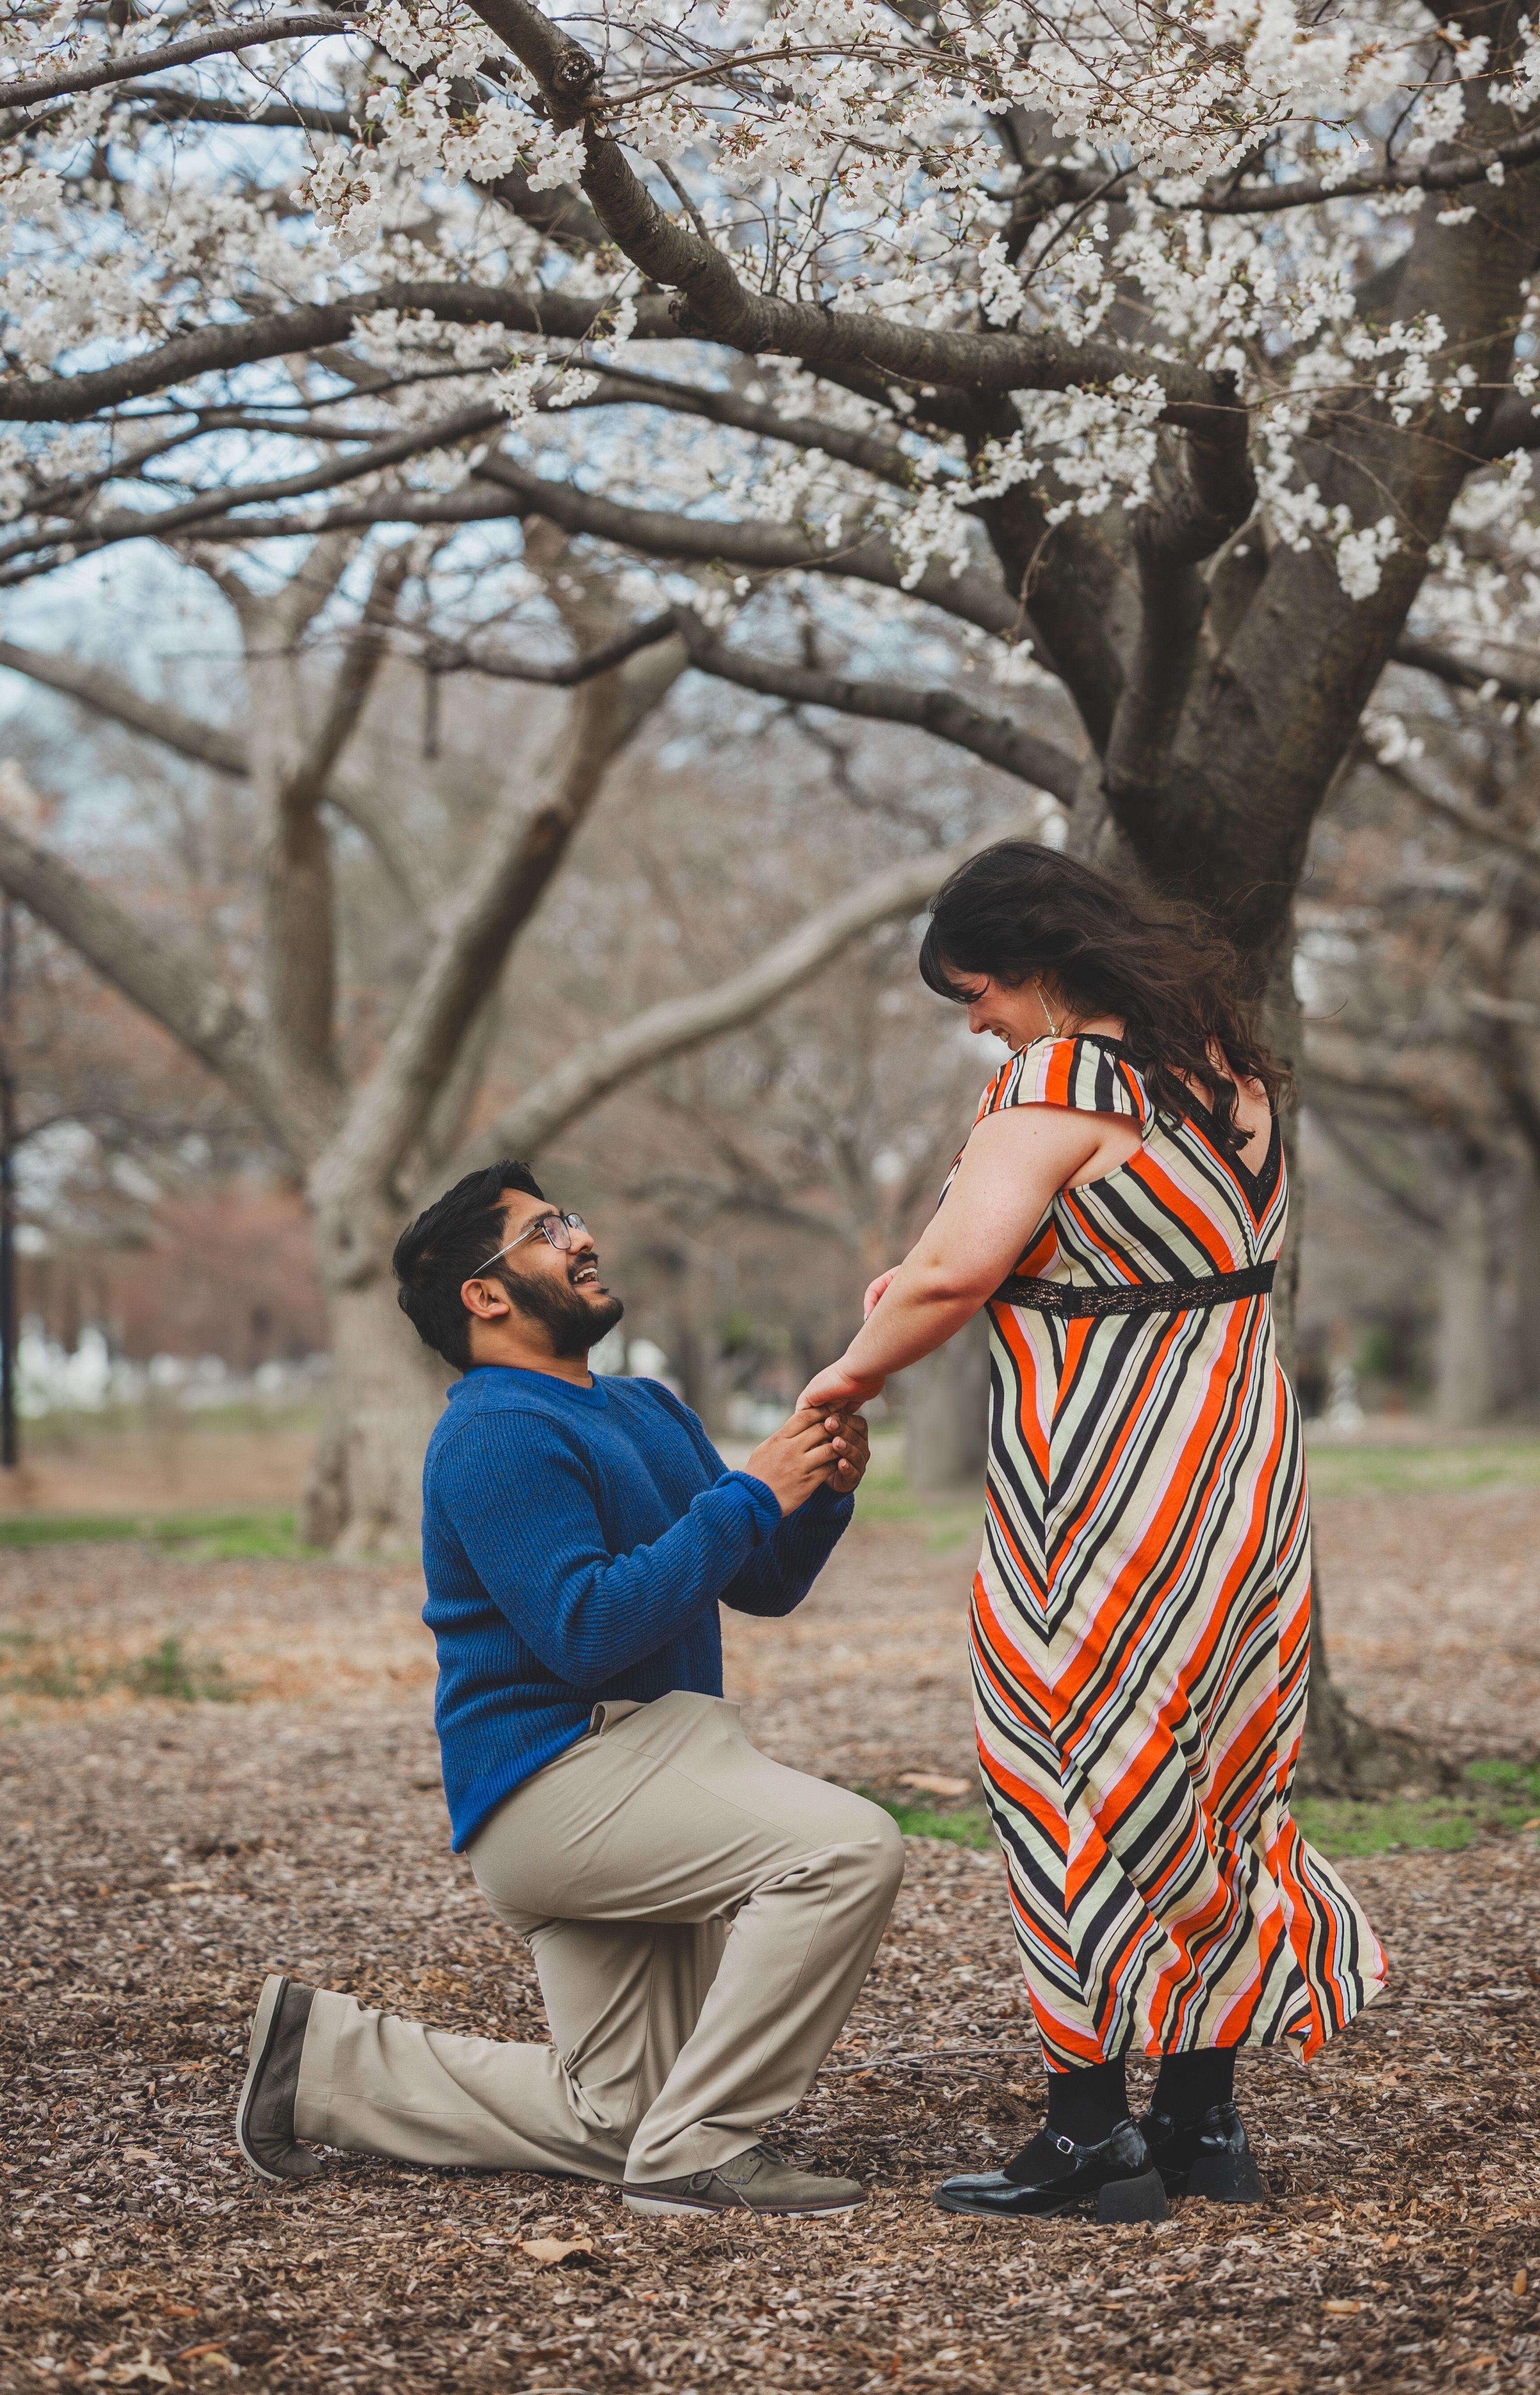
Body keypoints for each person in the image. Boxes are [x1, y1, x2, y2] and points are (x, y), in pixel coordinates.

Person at [800, 842, 1389, 2224]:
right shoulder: (1227, 1083)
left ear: (1042, 966)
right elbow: (1126, 1254)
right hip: (1240, 1496)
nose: (977, 1021)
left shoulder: (1063, 1081)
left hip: (1102, 1502)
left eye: (980, 988)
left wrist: (840, 1381)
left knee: (1066, 1770)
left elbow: (954, 1268)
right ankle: (1202, 2125)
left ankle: (1087, 2138)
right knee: (1216, 1778)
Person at [234, 1160, 901, 2218]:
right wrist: (745, 1493)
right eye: (547, 1231)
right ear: (486, 1296)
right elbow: (585, 1630)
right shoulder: (496, 1432)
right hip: (564, 1780)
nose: (581, 1240)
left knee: (623, 2117)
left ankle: (318, 2066)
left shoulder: (647, 1409)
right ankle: (707, 2153)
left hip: (645, 1768)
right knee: (848, 1847)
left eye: (573, 1220)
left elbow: (758, 1580)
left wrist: (811, 1495)